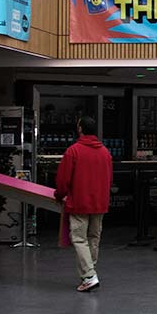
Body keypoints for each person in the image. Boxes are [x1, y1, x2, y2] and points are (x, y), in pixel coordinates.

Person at [53, 115, 113, 293]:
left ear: (80, 129)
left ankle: (89, 275)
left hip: (79, 202)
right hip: (100, 203)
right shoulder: (105, 152)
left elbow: (63, 180)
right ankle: (89, 271)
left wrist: (59, 195)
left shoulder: (73, 151)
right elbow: (109, 179)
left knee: (79, 239)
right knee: (94, 237)